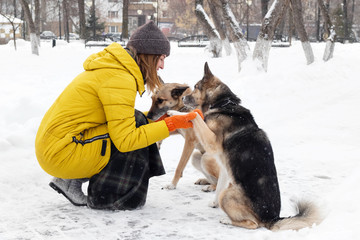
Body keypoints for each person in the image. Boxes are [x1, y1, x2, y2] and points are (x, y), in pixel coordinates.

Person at [35, 21, 201, 210]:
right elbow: (126, 140)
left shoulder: (116, 70)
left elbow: (123, 120)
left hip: (58, 146)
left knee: (138, 120)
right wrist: (170, 124)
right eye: (161, 58)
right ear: (149, 56)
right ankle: (109, 197)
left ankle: (70, 180)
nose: (162, 66)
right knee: (134, 135)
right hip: (62, 151)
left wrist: (156, 120)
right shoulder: (120, 78)